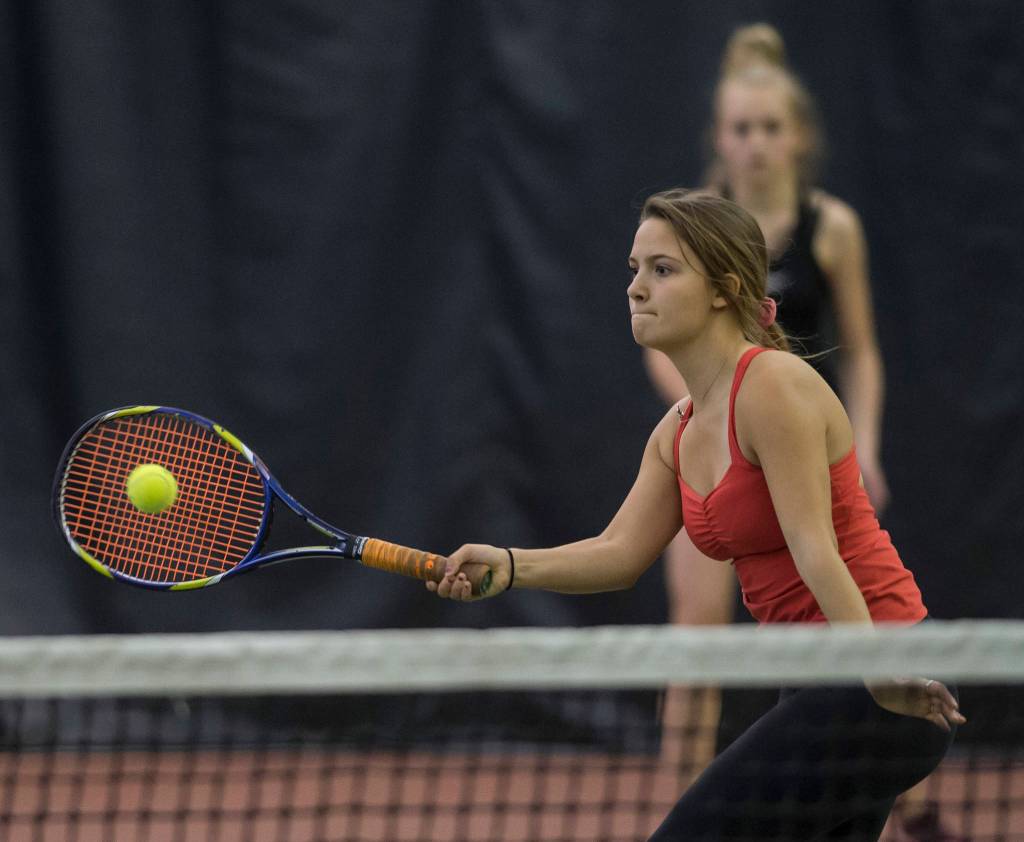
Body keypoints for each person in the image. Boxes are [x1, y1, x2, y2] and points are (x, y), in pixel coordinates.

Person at [429, 189, 963, 840]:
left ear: (723, 290)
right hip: (815, 684)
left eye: (663, 269)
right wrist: (510, 566)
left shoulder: (774, 387)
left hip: (879, 676)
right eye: (634, 269)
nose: (637, 288)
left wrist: (884, 682)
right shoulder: (675, 432)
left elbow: (813, 548)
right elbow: (619, 552)